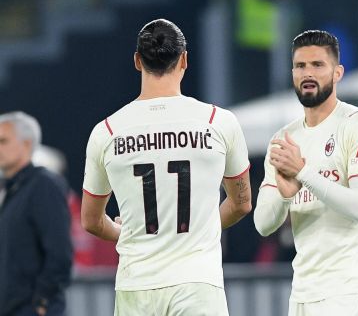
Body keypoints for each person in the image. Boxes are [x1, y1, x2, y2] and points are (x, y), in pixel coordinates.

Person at [81, 18, 252, 316]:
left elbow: (91, 221)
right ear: (184, 59)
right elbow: (241, 203)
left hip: (137, 286)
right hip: (197, 283)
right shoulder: (218, 122)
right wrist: (199, 228)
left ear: (137, 61)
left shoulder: (107, 131)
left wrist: (127, 231)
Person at [254, 30, 358, 316]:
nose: (308, 73)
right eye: (301, 66)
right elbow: (264, 224)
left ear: (337, 73)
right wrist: (284, 197)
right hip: (303, 289)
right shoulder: (284, 139)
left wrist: (303, 173)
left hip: (349, 288)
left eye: (318, 65)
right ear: (292, 73)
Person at [0, 112, 72, 316]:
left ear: (26, 143)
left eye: (3, 141)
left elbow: (60, 252)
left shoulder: (43, 185)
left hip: (31, 310)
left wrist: (43, 301)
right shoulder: (12, 190)